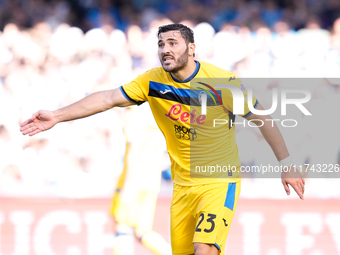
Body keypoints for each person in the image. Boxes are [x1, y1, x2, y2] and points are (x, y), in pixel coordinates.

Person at [20, 23, 305, 255]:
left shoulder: (223, 82)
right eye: (160, 44)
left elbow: (261, 117)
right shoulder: (151, 81)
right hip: (182, 187)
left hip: (219, 182)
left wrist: (287, 162)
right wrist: (57, 116)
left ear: (192, 49)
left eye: (172, 43)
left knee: (204, 249)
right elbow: (108, 98)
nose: (165, 49)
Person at [110, 104, 172, 255]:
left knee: (122, 227)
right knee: (142, 231)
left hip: (134, 179)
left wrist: (127, 185)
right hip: (152, 181)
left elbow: (134, 152)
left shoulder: (133, 117)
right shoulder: (155, 117)